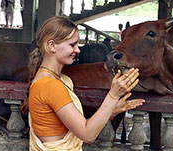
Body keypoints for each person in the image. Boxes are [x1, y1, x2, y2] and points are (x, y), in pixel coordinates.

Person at [26, 16, 145, 150]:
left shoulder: (57, 80)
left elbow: (73, 125)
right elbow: (87, 134)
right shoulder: (50, 85)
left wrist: (112, 110)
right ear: (52, 45)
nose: (77, 50)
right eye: (72, 45)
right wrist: (113, 95)